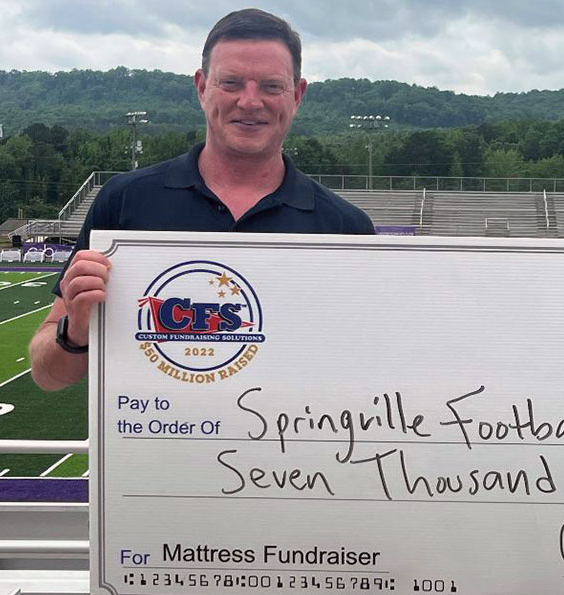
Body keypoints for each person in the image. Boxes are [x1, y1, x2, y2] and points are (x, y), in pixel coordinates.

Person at [29, 9, 374, 391]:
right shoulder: (124, 200)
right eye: (231, 83)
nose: (250, 101)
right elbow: (48, 377)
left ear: (297, 95)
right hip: (157, 427)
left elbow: (368, 368)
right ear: (201, 87)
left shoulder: (346, 228)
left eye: (271, 86)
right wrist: (75, 331)